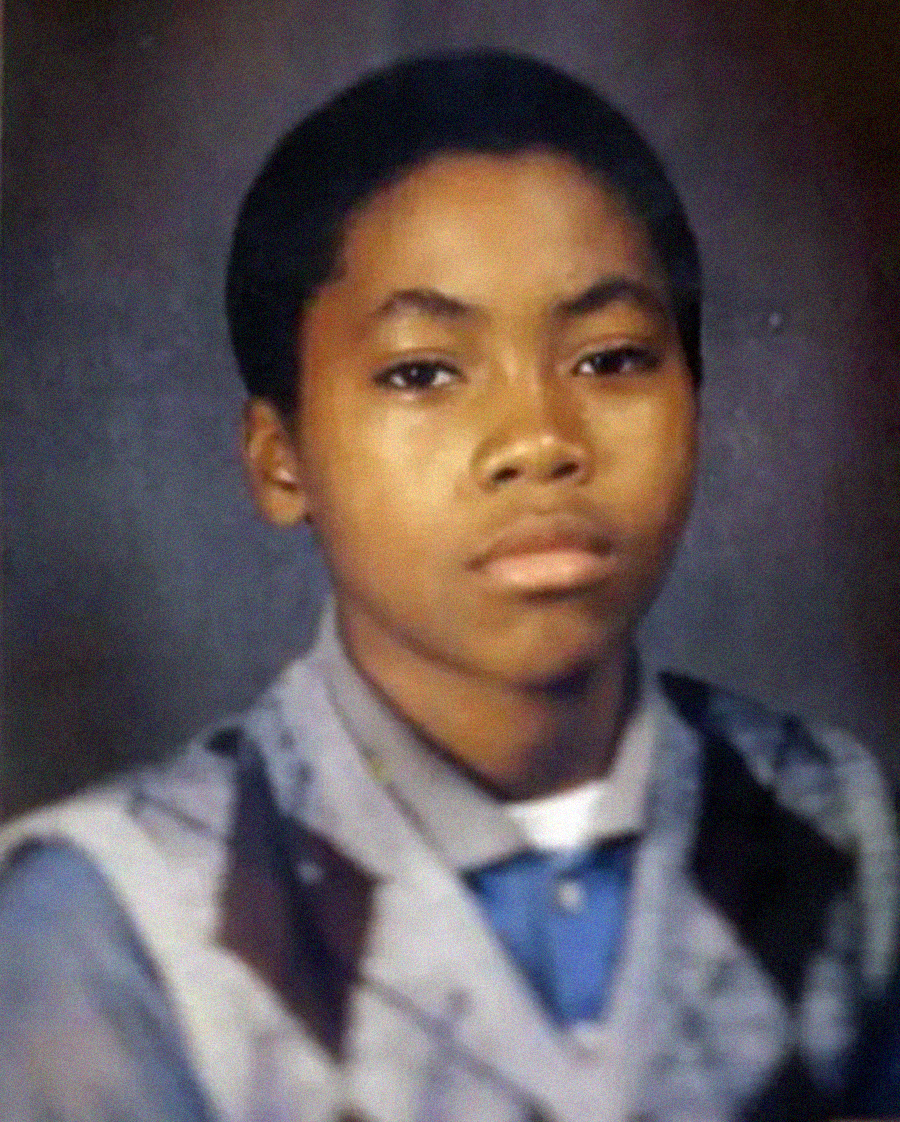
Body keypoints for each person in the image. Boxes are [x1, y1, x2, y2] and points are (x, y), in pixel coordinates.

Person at [1, 51, 898, 1122]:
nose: (538, 441)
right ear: (280, 458)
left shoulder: (828, 824)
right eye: (423, 371)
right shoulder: (114, 926)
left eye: (611, 358)